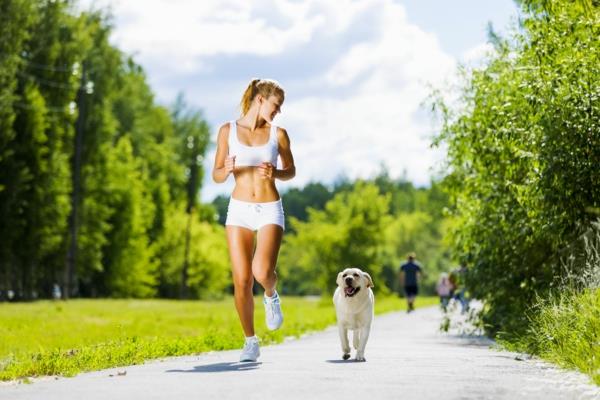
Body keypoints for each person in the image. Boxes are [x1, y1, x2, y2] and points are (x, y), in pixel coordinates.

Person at [212, 78, 296, 362]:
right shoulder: (227, 131)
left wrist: (276, 173)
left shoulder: (278, 134)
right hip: (239, 210)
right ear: (261, 99)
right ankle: (250, 341)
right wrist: (225, 169)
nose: (278, 111)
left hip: (269, 207)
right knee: (242, 279)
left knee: (262, 272)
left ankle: (271, 294)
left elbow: (291, 170)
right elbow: (216, 174)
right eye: (276, 105)